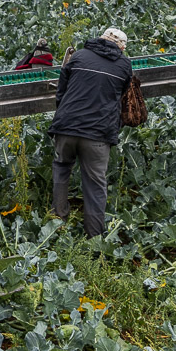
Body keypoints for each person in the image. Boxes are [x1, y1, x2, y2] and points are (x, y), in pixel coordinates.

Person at [47, 27, 132, 236]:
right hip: (98, 133)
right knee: (95, 184)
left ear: (100, 38)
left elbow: (61, 92)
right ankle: (94, 236)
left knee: (61, 168)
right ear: (121, 46)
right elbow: (123, 98)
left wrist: (65, 116)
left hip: (67, 127)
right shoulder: (124, 65)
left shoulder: (79, 56)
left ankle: (57, 223)